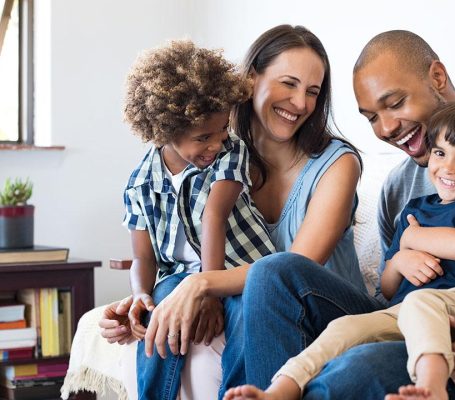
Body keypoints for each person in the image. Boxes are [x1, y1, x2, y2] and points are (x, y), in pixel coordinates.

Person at [230, 30, 455, 399]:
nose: (387, 128)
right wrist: (400, 262)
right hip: (409, 325)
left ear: (436, 78)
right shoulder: (398, 186)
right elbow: (390, 297)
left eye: (395, 103)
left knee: (356, 370)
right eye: (372, 117)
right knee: (273, 272)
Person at [96, 24, 372, 400]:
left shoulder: (336, 164)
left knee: (266, 281)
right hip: (258, 301)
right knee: (171, 302)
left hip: (324, 310)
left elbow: (293, 270)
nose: (302, 103)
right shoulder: (215, 157)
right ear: (251, 78)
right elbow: (179, 246)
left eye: (312, 91)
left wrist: (201, 284)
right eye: (288, 83)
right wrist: (146, 299)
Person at [223, 99, 455, 400]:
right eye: (440, 153)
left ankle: (431, 389)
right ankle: (279, 390)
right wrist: (401, 258)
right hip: (401, 311)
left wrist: (412, 240)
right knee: (344, 328)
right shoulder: (415, 210)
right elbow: (388, 288)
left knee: (421, 303)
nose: (448, 168)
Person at [120, 40, 276, 400]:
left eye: (221, 130)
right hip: (178, 277)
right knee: (159, 310)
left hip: (239, 269)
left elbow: (214, 216)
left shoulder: (230, 151)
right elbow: (143, 257)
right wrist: (140, 295)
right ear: (164, 130)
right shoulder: (140, 183)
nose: (215, 144)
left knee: (245, 313)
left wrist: (209, 290)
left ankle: (239, 394)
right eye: (203, 137)